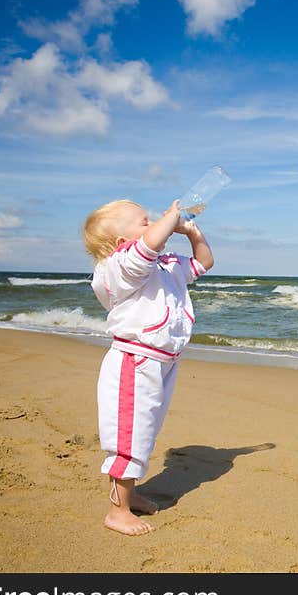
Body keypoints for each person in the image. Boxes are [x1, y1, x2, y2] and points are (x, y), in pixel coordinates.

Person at [82, 198, 213, 535]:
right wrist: (171, 216)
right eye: (144, 221)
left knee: (146, 431)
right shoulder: (118, 267)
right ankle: (117, 510)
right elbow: (148, 245)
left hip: (163, 362)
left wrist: (192, 231)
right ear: (120, 242)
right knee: (129, 434)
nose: (155, 223)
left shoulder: (164, 264)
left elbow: (204, 262)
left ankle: (131, 494)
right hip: (134, 362)